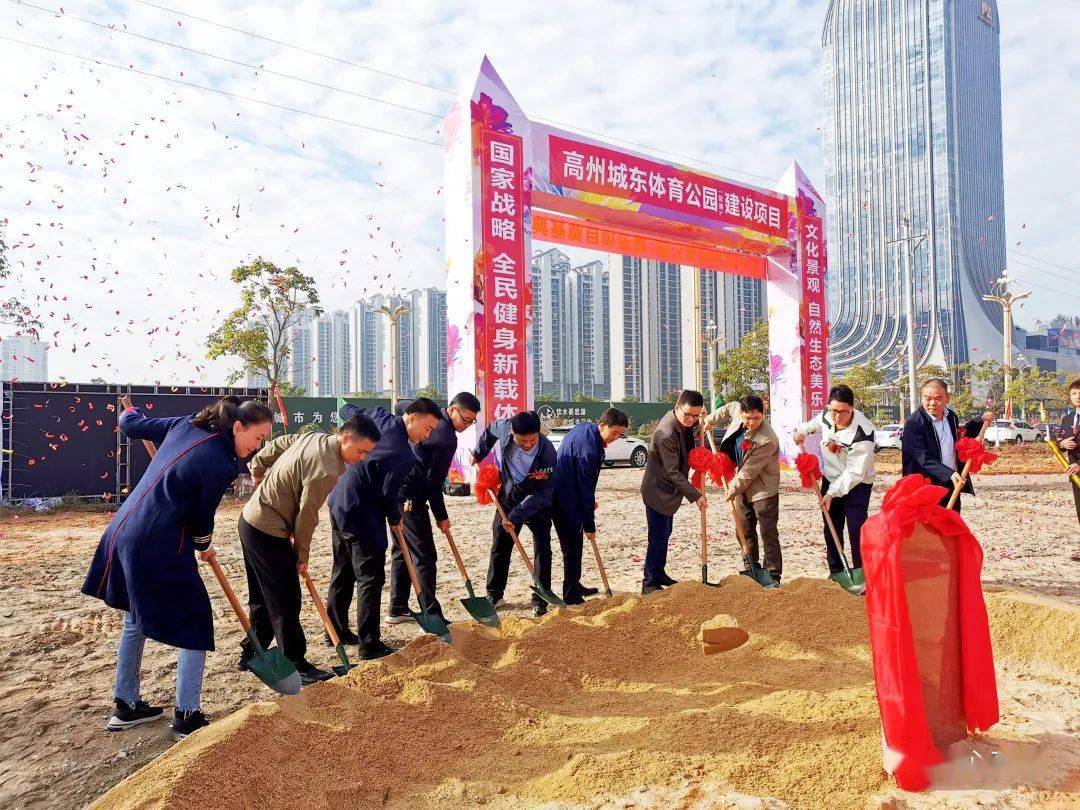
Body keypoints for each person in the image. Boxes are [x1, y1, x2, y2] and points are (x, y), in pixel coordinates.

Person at [83, 396, 273, 740]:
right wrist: (204, 544)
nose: (257, 447)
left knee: (133, 617)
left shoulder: (185, 424)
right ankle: (187, 715)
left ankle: (126, 705)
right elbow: (202, 516)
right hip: (158, 543)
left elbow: (130, 426)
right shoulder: (221, 463)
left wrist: (130, 410)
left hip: (123, 530)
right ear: (237, 427)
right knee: (195, 622)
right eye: (257, 438)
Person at [238, 414, 379, 683]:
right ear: (345, 438)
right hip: (267, 530)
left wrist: (258, 466)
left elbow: (281, 442)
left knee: (263, 596)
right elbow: (307, 514)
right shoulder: (326, 468)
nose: (361, 458)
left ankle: (250, 653)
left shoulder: (316, 437)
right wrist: (302, 555)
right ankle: (295, 662)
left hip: (250, 522)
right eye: (360, 451)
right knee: (286, 599)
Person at [325, 398, 442, 657]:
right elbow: (389, 496)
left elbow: (350, 409)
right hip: (362, 512)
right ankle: (369, 643)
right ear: (411, 417)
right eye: (428, 427)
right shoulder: (402, 455)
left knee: (343, 568)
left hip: (338, 500)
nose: (428, 434)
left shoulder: (380, 416)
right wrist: (394, 518)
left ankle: (335, 629)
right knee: (371, 577)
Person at [386, 393, 482, 625]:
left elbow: (400, 405)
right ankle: (431, 613)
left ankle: (397, 607)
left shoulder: (425, 412)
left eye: (472, 422)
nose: (466, 426)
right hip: (412, 494)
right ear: (452, 411)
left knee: (403, 550)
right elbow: (433, 483)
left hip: (396, 489)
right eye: (465, 420)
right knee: (424, 555)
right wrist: (441, 516)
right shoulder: (446, 438)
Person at [472, 410, 558, 617]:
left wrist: (515, 516)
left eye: (532, 440)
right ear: (512, 433)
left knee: (542, 550)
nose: (527, 444)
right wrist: (478, 454)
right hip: (508, 499)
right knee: (500, 547)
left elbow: (543, 494)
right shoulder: (504, 429)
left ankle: (541, 596)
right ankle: (494, 593)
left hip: (537, 505)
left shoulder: (548, 453)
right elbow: (490, 431)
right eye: (522, 441)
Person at [794, 384, 876, 577]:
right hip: (831, 479)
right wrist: (802, 431)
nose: (837, 416)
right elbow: (815, 423)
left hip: (858, 485)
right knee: (831, 526)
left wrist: (832, 492)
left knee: (856, 528)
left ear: (852, 409)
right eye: (833, 411)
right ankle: (836, 571)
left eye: (842, 412)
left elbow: (855, 473)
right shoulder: (827, 414)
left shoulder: (863, 432)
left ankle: (860, 572)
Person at [551, 408, 630, 603]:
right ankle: (571, 594)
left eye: (620, 434)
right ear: (602, 425)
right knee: (571, 548)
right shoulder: (589, 451)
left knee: (576, 546)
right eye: (614, 433)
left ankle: (575, 583)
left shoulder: (585, 428)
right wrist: (589, 525)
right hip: (565, 501)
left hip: (569, 493)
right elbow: (586, 491)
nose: (616, 438)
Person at [708, 395, 783, 584]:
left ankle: (773, 574)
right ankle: (750, 566)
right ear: (741, 413)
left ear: (763, 415)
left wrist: (730, 490)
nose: (751, 422)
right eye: (747, 418)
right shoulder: (737, 412)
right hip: (741, 484)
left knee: (768, 531)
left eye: (757, 418)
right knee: (743, 527)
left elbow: (749, 472)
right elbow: (726, 408)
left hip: (763, 488)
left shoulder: (767, 439)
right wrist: (708, 422)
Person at [639, 390, 708, 595]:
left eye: (696, 416)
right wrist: (696, 495)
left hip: (669, 491)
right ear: (677, 407)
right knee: (657, 537)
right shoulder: (667, 432)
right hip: (658, 490)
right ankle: (649, 581)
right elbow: (673, 473)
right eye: (688, 414)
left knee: (665, 533)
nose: (691, 419)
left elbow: (690, 436)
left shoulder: (684, 422)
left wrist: (700, 426)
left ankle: (659, 573)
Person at [901, 378, 993, 512]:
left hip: (952, 481)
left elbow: (960, 436)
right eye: (927, 398)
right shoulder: (914, 423)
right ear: (922, 398)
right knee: (930, 529)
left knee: (951, 524)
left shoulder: (951, 416)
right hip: (927, 486)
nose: (932, 403)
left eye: (938, 398)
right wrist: (948, 473)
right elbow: (922, 457)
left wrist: (981, 421)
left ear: (947, 398)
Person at [1057, 378, 1080, 559]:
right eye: (1074, 393)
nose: (1077, 396)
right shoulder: (1067, 419)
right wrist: (1063, 443)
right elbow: (1059, 443)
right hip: (1074, 474)